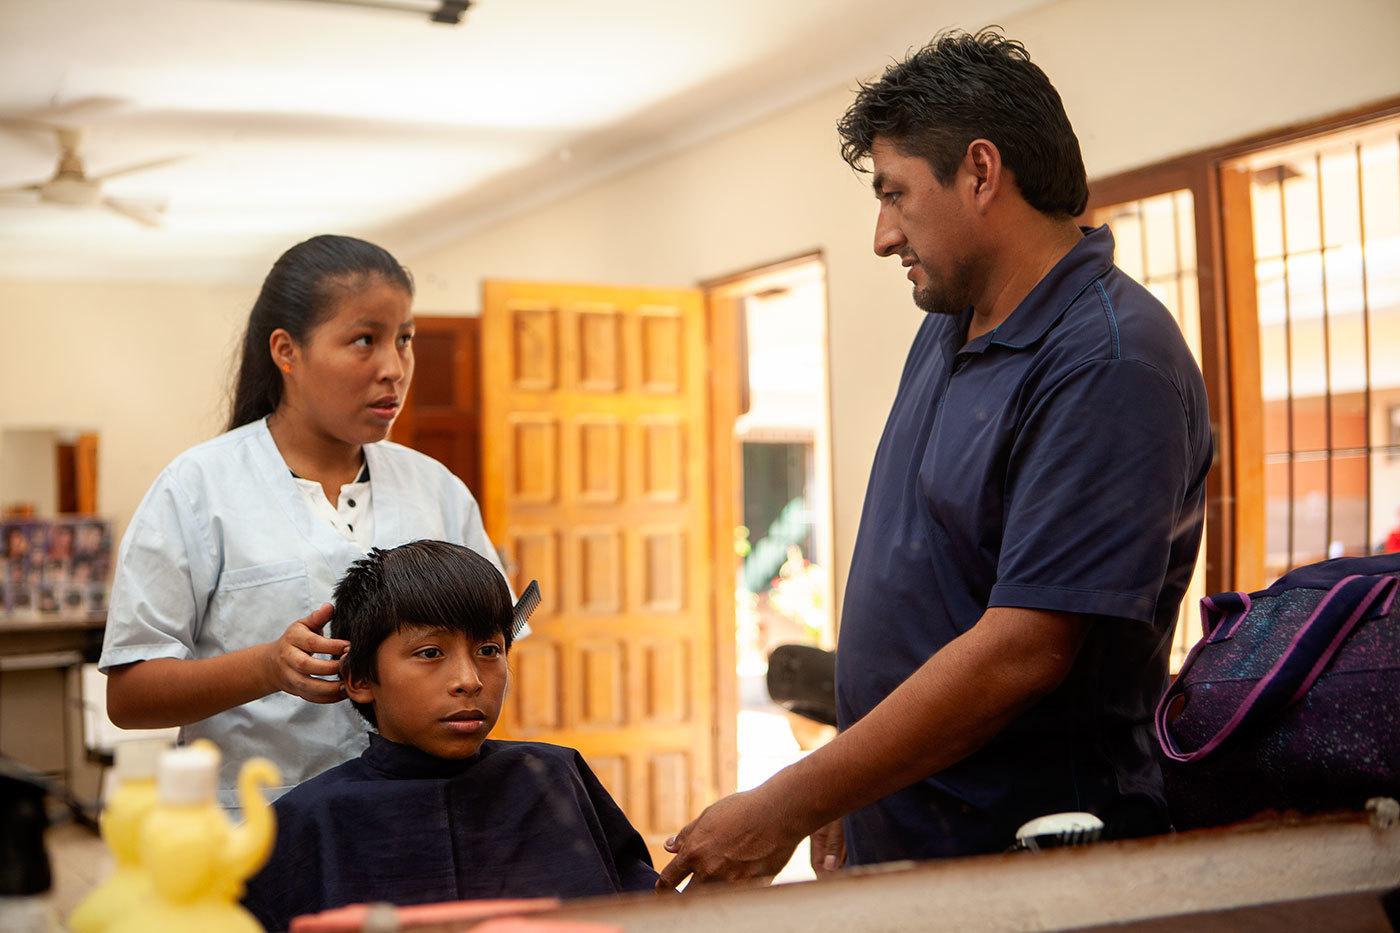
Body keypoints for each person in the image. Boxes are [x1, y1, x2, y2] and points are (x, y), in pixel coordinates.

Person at [659, 29, 1212, 887]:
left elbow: (1024, 646)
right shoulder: (949, 322)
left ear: (982, 173)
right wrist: (855, 773)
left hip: (1028, 861)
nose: (883, 236)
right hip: (915, 835)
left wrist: (790, 799)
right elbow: (928, 582)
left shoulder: (1108, 361)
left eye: (896, 195)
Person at [100, 235, 506, 806]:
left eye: (405, 339)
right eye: (365, 340)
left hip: (419, 824)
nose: (394, 368)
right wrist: (267, 666)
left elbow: (493, 653)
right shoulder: (198, 490)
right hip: (260, 837)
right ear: (287, 351)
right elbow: (130, 696)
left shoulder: (436, 491)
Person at [243, 542, 656, 931]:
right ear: (360, 678)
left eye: (489, 651)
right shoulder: (309, 820)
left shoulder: (556, 777)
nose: (469, 680)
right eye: (430, 653)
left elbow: (651, 915)